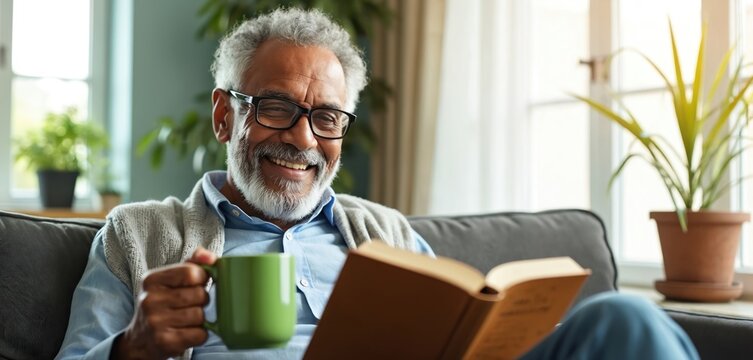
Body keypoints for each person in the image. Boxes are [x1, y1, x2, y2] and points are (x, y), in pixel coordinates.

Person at [56, 8, 699, 360]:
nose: (303, 139)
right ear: (227, 113)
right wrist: (134, 348)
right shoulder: (139, 235)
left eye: (327, 118)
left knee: (624, 319)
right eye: (276, 107)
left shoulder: (386, 232)